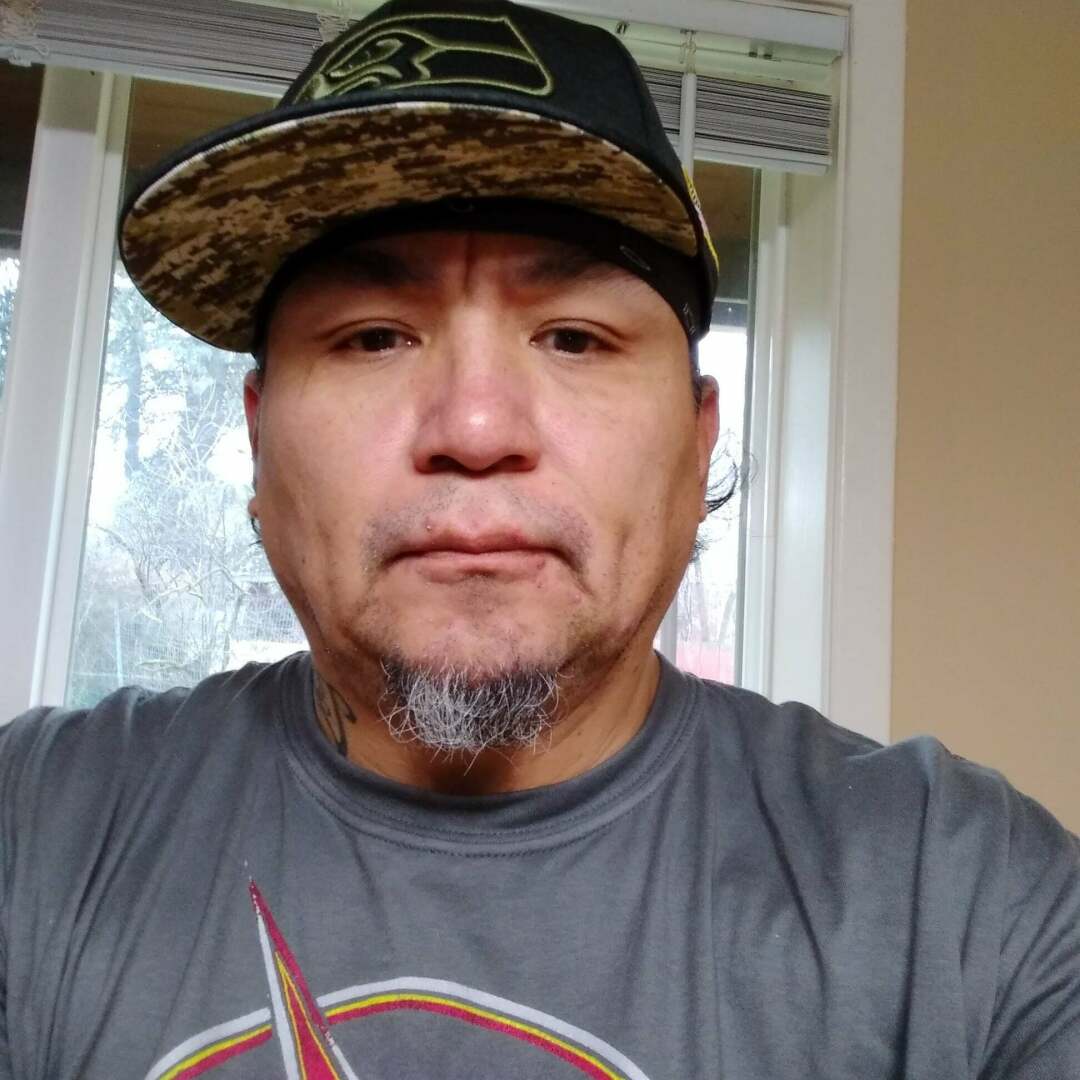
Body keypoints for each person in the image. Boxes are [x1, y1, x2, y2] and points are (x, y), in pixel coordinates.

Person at [1, 0, 1077, 1076]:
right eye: (373, 338)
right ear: (256, 441)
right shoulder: (31, 830)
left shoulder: (968, 903)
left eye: (573, 337)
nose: (476, 430)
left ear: (699, 440)